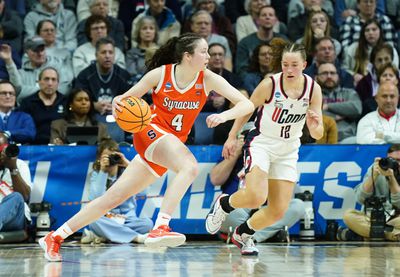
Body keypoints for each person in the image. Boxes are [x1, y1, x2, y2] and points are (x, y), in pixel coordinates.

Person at [39, 33, 254, 262]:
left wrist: (224, 116)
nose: (208, 56)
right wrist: (118, 103)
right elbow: (124, 100)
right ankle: (161, 226)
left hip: (167, 144)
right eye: (203, 51)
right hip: (149, 131)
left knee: (111, 199)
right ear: (187, 56)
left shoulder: (208, 78)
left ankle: (54, 237)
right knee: (190, 166)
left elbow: (247, 104)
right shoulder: (160, 75)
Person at [206, 37, 324, 256]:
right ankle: (223, 204)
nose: (289, 69)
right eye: (285, 65)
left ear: (304, 65)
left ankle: (243, 234)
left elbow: (318, 133)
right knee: (256, 196)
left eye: (294, 65)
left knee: (278, 210)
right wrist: (230, 130)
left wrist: (314, 125)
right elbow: (247, 107)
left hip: (289, 149)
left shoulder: (313, 89)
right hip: (262, 143)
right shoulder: (271, 84)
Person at [210, 125, 305, 243]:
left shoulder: (276, 156)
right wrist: (235, 155)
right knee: (224, 209)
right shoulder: (232, 153)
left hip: (265, 209)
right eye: (246, 136)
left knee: (298, 206)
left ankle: (251, 236)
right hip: (237, 208)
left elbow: (287, 195)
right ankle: (252, 234)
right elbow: (215, 179)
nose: (250, 140)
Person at [81, 139, 153, 244]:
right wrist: (103, 171)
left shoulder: (127, 173)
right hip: (106, 218)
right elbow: (96, 198)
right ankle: (136, 238)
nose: (110, 159)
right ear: (99, 158)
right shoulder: (96, 174)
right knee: (94, 220)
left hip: (127, 219)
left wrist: (129, 165)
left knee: (147, 223)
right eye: (106, 156)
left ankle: (103, 235)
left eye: (113, 156)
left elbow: (144, 191)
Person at [342, 144, 400, 241]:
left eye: (398, 160)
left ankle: (366, 235)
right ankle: (394, 235)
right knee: (348, 215)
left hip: (395, 219)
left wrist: (391, 178)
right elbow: (360, 199)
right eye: (391, 159)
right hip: (373, 218)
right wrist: (373, 176)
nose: (395, 163)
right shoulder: (377, 168)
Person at [315, 62, 362, 142]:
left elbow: (356, 109)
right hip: (320, 140)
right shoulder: (312, 95)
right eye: (325, 73)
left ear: (338, 77)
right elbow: (311, 115)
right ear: (316, 77)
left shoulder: (349, 93)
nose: (329, 76)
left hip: (347, 138)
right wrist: (343, 113)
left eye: (332, 73)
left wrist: (327, 106)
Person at [19, 67, 66, 145]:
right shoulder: (27, 103)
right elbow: (22, 129)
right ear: (39, 82)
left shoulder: (65, 102)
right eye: (46, 79)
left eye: (53, 79)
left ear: (58, 83)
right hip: (34, 147)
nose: (50, 83)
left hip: (61, 147)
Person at [0, 131, 32, 241]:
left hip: (15, 218)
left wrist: (13, 168)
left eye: (4, 149)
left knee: (16, 197)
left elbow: (25, 197)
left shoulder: (20, 165)